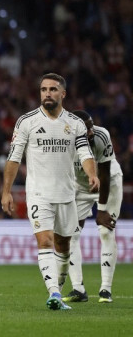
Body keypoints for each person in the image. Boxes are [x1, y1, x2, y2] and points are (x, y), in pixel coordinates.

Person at [1, 73, 99, 310]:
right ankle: (54, 293)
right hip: (38, 194)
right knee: (45, 241)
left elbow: (85, 154)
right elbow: (14, 158)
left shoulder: (75, 124)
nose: (47, 93)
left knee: (64, 247)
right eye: (44, 89)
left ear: (63, 94)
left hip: (67, 195)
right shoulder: (27, 122)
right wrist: (6, 191)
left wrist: (92, 174)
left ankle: (60, 281)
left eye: (53, 89)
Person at [62, 111, 122, 304]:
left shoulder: (101, 135)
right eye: (85, 127)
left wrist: (102, 209)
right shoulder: (63, 140)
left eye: (91, 126)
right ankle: (78, 289)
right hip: (80, 186)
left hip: (108, 182)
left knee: (105, 231)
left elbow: (104, 174)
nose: (90, 131)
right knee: (71, 233)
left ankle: (106, 289)